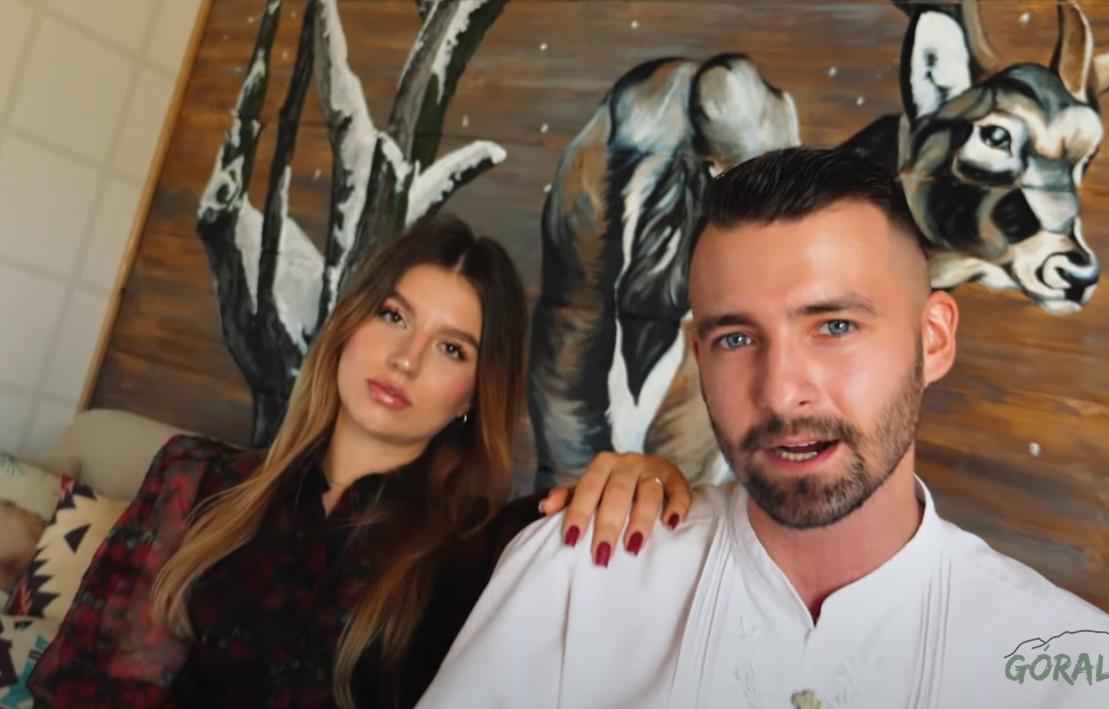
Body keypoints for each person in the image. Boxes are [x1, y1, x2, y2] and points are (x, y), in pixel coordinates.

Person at [416, 149, 1109, 708]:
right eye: (735, 337)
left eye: (835, 325)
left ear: (933, 339)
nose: (781, 391)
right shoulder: (574, 579)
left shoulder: (1098, 683)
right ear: (699, 357)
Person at [28, 214, 694, 708]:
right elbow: (93, 687)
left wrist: (645, 476)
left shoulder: (486, 551)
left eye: (452, 348)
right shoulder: (196, 478)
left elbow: (650, 560)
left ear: (473, 394)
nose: (405, 359)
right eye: (394, 316)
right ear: (349, 325)